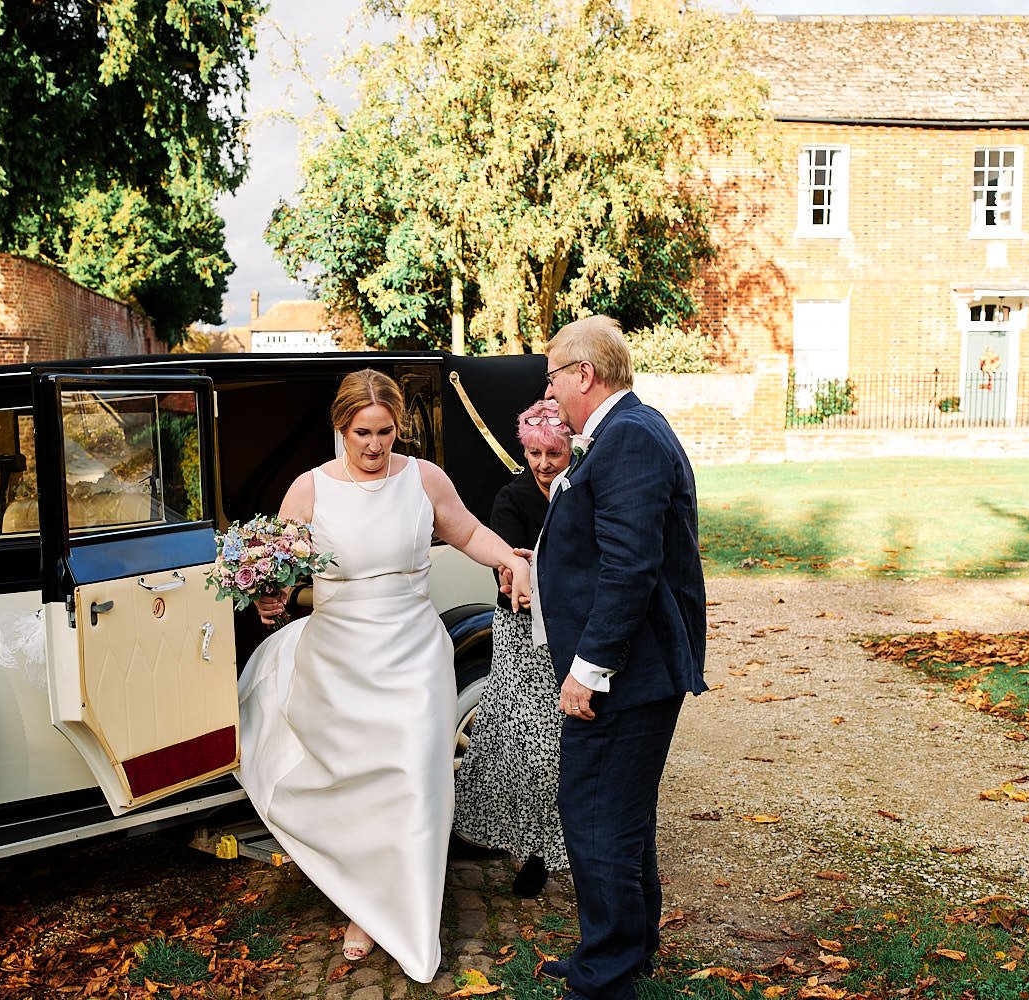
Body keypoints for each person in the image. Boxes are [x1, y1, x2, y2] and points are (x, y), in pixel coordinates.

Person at [236, 369, 532, 982]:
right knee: (356, 786)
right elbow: (283, 567)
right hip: (339, 657)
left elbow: (468, 530)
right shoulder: (310, 490)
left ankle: (412, 916)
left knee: (415, 780)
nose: (374, 446)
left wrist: (506, 556)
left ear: (400, 427)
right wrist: (272, 596)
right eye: (362, 433)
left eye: (386, 432)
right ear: (340, 427)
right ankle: (363, 906)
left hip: (413, 655)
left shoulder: (424, 479)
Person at [533, 315, 708, 1000]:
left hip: (625, 675)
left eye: (552, 377)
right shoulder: (623, 431)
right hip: (633, 672)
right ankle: (623, 951)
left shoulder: (629, 436)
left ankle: (605, 978)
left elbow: (632, 566)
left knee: (597, 818)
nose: (548, 394)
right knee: (623, 820)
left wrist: (589, 667)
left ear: (583, 374)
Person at [453, 398, 572, 898]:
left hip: (572, 633)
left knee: (568, 749)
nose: (543, 464)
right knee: (530, 750)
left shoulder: (584, 490)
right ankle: (534, 846)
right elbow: (506, 567)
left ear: (571, 448)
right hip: (524, 637)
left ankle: (562, 849)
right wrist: (518, 568)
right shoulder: (512, 498)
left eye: (553, 453)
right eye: (534, 453)